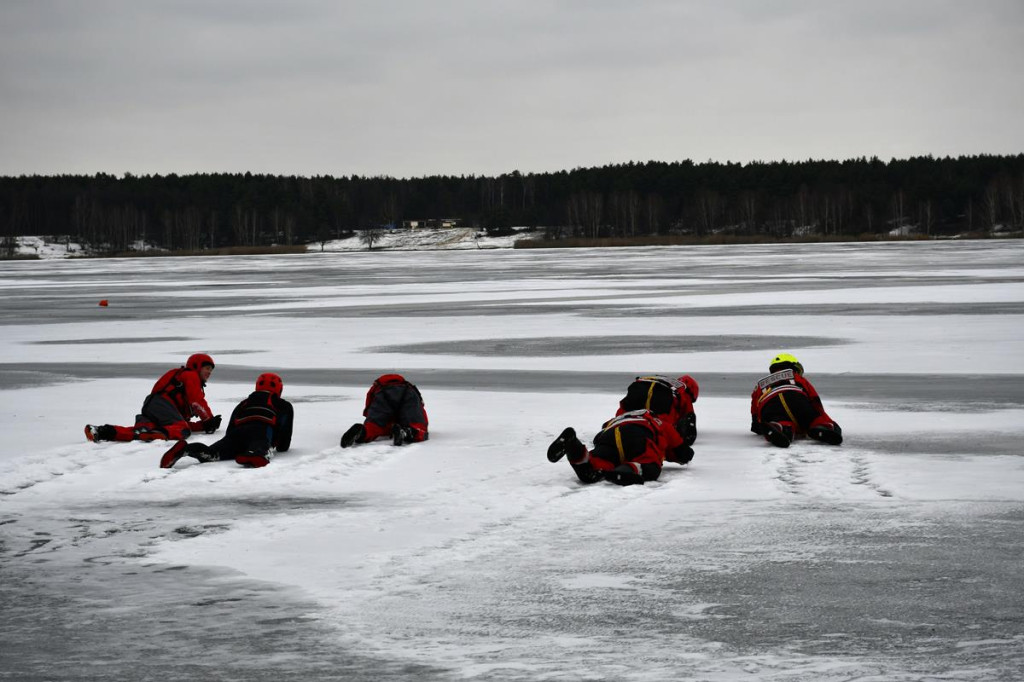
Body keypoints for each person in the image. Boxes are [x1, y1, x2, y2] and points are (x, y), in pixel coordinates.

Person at [160, 372, 293, 469]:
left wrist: (231, 443)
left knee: (211, 453)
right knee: (260, 448)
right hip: (261, 432)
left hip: (236, 434)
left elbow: (230, 428)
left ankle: (186, 449)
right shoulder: (284, 405)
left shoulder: (244, 403)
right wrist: (279, 445)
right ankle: (255, 454)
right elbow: (284, 440)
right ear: (279, 389)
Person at [85, 353, 221, 443]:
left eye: (211, 370)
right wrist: (208, 420)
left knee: (139, 431)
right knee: (182, 430)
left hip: (153, 406)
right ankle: (156, 434)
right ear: (196, 366)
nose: (209, 372)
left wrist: (202, 425)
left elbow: (178, 420)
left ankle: (101, 431)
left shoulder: (185, 377)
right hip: (162, 404)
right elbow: (196, 401)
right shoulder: (191, 375)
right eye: (207, 368)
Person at [546, 408, 692, 486]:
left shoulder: (618, 418)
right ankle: (624, 471)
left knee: (590, 472)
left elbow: (605, 427)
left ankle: (573, 446)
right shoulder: (660, 422)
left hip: (608, 436)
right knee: (650, 467)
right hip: (639, 434)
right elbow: (683, 452)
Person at [750, 353, 843, 448]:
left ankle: (779, 427)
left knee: (780, 420)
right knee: (813, 419)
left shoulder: (760, 385)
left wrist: (758, 425)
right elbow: (814, 398)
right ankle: (822, 427)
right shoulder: (795, 376)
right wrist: (820, 416)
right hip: (795, 397)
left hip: (769, 405)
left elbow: (754, 409)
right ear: (792, 365)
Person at [616, 374, 699, 458]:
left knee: (626, 417)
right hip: (661, 394)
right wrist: (686, 439)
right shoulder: (684, 391)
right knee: (659, 427)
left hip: (638, 387)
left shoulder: (665, 380)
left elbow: (622, 410)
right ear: (693, 391)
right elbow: (689, 416)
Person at [340, 373, 428, 447]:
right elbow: (419, 408)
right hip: (407, 394)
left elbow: (369, 405)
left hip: (383, 394)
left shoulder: (377, 387)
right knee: (417, 427)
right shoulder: (410, 388)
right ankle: (405, 432)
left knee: (374, 427)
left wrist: (372, 421)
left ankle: (362, 432)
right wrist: (423, 424)